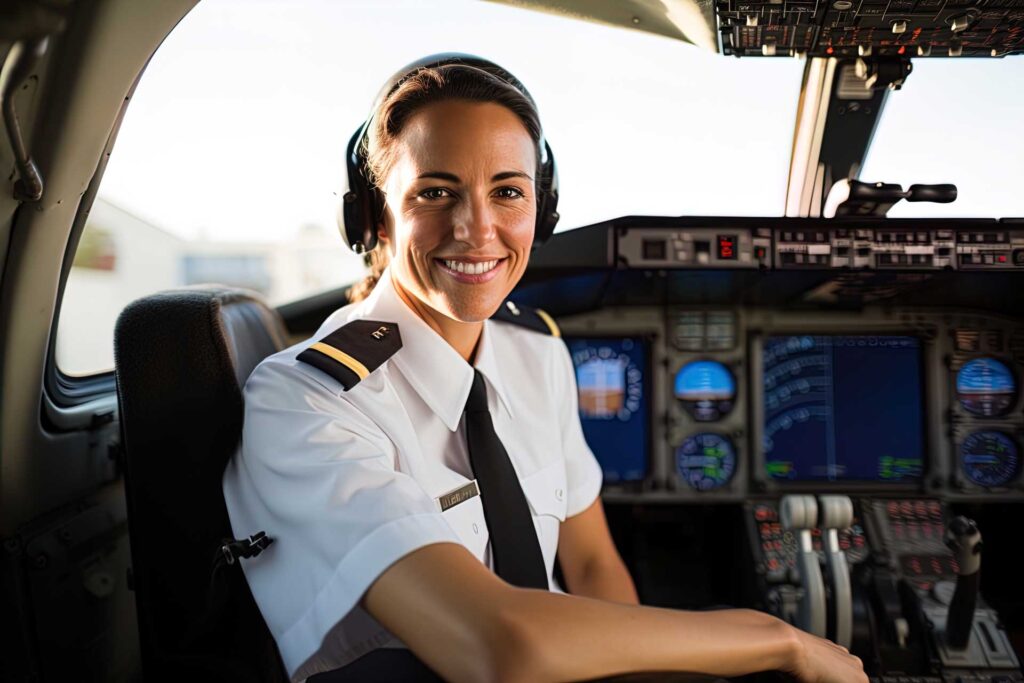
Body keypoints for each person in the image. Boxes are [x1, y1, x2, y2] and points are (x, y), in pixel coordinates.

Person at [222, 54, 868, 683]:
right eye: (435, 192)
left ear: (543, 209)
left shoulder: (538, 355)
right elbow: (498, 646)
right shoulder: (308, 399)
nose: (477, 229)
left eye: (508, 192)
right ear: (372, 216)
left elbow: (590, 567)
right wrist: (778, 639)